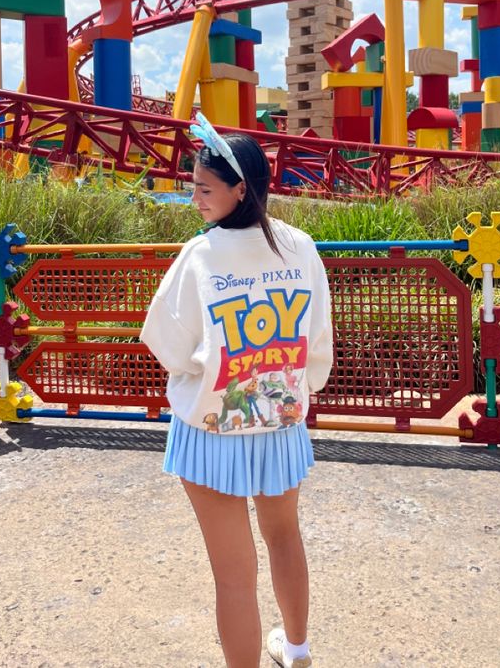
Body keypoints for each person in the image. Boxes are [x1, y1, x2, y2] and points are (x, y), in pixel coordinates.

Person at [141, 115, 333, 668]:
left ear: (239, 189)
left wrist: (198, 374)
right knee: (284, 537)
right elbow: (317, 336)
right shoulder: (299, 246)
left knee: (233, 573)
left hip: (212, 427)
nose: (195, 199)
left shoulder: (201, 255)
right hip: (281, 415)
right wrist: (300, 388)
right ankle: (296, 650)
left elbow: (167, 341)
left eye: (204, 189)